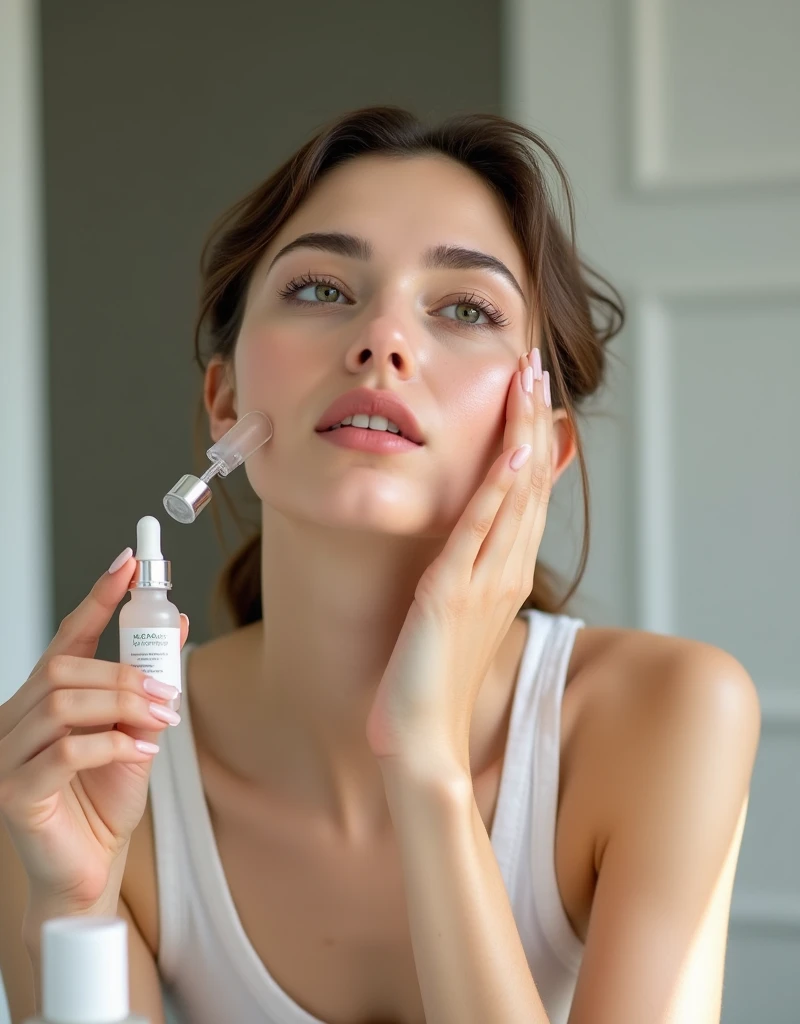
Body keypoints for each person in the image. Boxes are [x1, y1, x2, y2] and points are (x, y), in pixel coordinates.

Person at [0, 105, 761, 1024]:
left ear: (543, 448)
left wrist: (428, 767)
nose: (381, 341)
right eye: (323, 289)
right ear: (225, 397)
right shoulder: (86, 776)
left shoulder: (667, 718)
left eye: (466, 309)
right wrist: (72, 907)